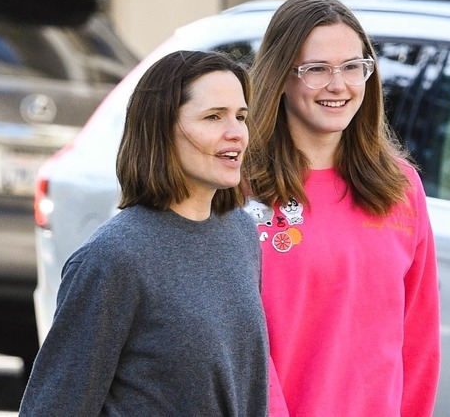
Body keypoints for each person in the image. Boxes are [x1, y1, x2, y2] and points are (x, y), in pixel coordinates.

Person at [19, 50, 269, 416]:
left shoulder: (241, 234)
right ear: (161, 129)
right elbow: (55, 406)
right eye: (214, 117)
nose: (236, 134)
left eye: (241, 117)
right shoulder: (113, 258)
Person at [244, 0, 441, 416]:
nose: (339, 85)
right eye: (316, 69)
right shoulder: (238, 191)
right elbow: (232, 345)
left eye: (353, 67)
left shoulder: (401, 187)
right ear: (280, 77)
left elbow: (419, 341)